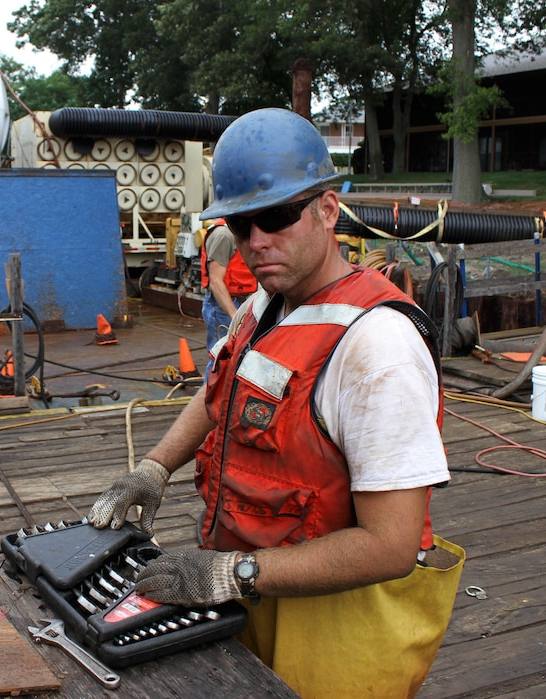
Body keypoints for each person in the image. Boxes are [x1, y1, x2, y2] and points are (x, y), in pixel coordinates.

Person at [87, 108, 462, 698]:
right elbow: (220, 396)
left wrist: (231, 573)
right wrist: (155, 467)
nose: (257, 243)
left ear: (328, 210)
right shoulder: (263, 306)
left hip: (338, 623)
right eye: (240, 226)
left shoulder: (376, 348)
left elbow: (390, 546)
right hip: (249, 594)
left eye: (277, 217)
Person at [201, 218, 257, 356]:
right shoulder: (224, 235)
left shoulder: (246, 231)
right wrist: (235, 316)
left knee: (241, 356)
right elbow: (216, 281)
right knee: (221, 360)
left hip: (245, 301)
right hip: (224, 307)